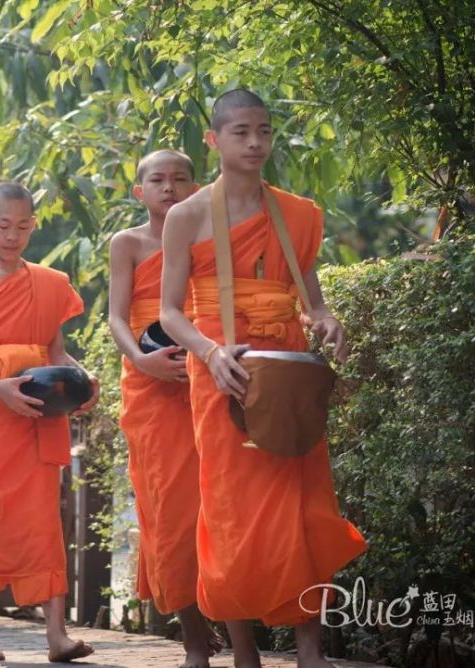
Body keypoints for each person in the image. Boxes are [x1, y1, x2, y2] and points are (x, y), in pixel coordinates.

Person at [160, 89, 368, 668]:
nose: (255, 143)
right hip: (223, 371)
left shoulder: (296, 212)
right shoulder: (188, 214)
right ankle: (244, 651)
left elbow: (312, 299)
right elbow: (169, 312)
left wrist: (326, 321)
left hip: (288, 369)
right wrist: (207, 352)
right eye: (241, 132)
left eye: (264, 131)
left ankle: (309, 650)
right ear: (214, 140)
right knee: (229, 508)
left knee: (301, 503)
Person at [0, 182, 98, 662]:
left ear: (34, 225)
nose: (13, 236)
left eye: (23, 226)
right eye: (3, 226)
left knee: (42, 522)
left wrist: (83, 377)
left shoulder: (50, 283)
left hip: (37, 415)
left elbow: (55, 352)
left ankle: (57, 635)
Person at [108, 149, 223, 667]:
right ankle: (193, 635)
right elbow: (116, 317)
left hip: (205, 377)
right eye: (157, 179)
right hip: (150, 386)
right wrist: (140, 361)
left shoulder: (208, 237)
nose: (169, 187)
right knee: (169, 511)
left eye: (180, 178)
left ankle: (223, 608)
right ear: (140, 191)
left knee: (217, 505)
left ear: (196, 185)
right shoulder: (127, 244)